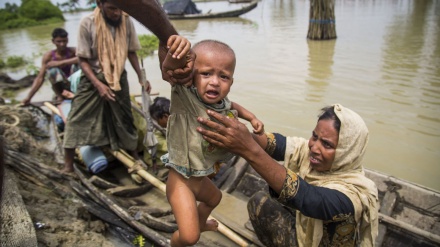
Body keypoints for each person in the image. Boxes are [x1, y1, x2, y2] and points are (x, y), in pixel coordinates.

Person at [196, 104, 379, 246]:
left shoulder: (354, 194)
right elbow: (275, 144)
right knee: (261, 199)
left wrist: (247, 149)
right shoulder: (309, 153)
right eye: (314, 136)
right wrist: (237, 131)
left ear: (348, 152)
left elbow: (309, 199)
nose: (314, 147)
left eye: (327, 145)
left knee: (264, 202)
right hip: (304, 232)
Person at [61, 0, 192, 174]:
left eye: (118, 9)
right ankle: (68, 165)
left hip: (118, 76)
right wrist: (99, 85)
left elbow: (131, 52)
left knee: (124, 118)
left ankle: (133, 154)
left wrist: (141, 77)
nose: (116, 13)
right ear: (100, 5)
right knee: (77, 119)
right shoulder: (88, 22)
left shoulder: (126, 20)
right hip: (92, 77)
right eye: (111, 9)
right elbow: (83, 60)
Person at [161, 38, 264, 246]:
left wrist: (251, 117)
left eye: (223, 76)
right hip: (180, 181)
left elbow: (231, 104)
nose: (215, 82)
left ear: (231, 82)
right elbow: (169, 67)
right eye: (206, 73)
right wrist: (173, 51)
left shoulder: (220, 102)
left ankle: (200, 222)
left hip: (198, 180)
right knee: (189, 237)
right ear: (191, 74)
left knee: (214, 198)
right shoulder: (185, 97)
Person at [21, 28, 78, 105]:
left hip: (74, 83)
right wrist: (29, 97)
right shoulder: (49, 56)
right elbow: (40, 78)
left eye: (64, 41)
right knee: (52, 71)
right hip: (62, 88)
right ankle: (60, 96)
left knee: (81, 63)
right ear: (53, 41)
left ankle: (78, 92)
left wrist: (61, 63)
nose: (62, 44)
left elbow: (83, 58)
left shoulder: (73, 51)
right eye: (59, 41)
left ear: (67, 40)